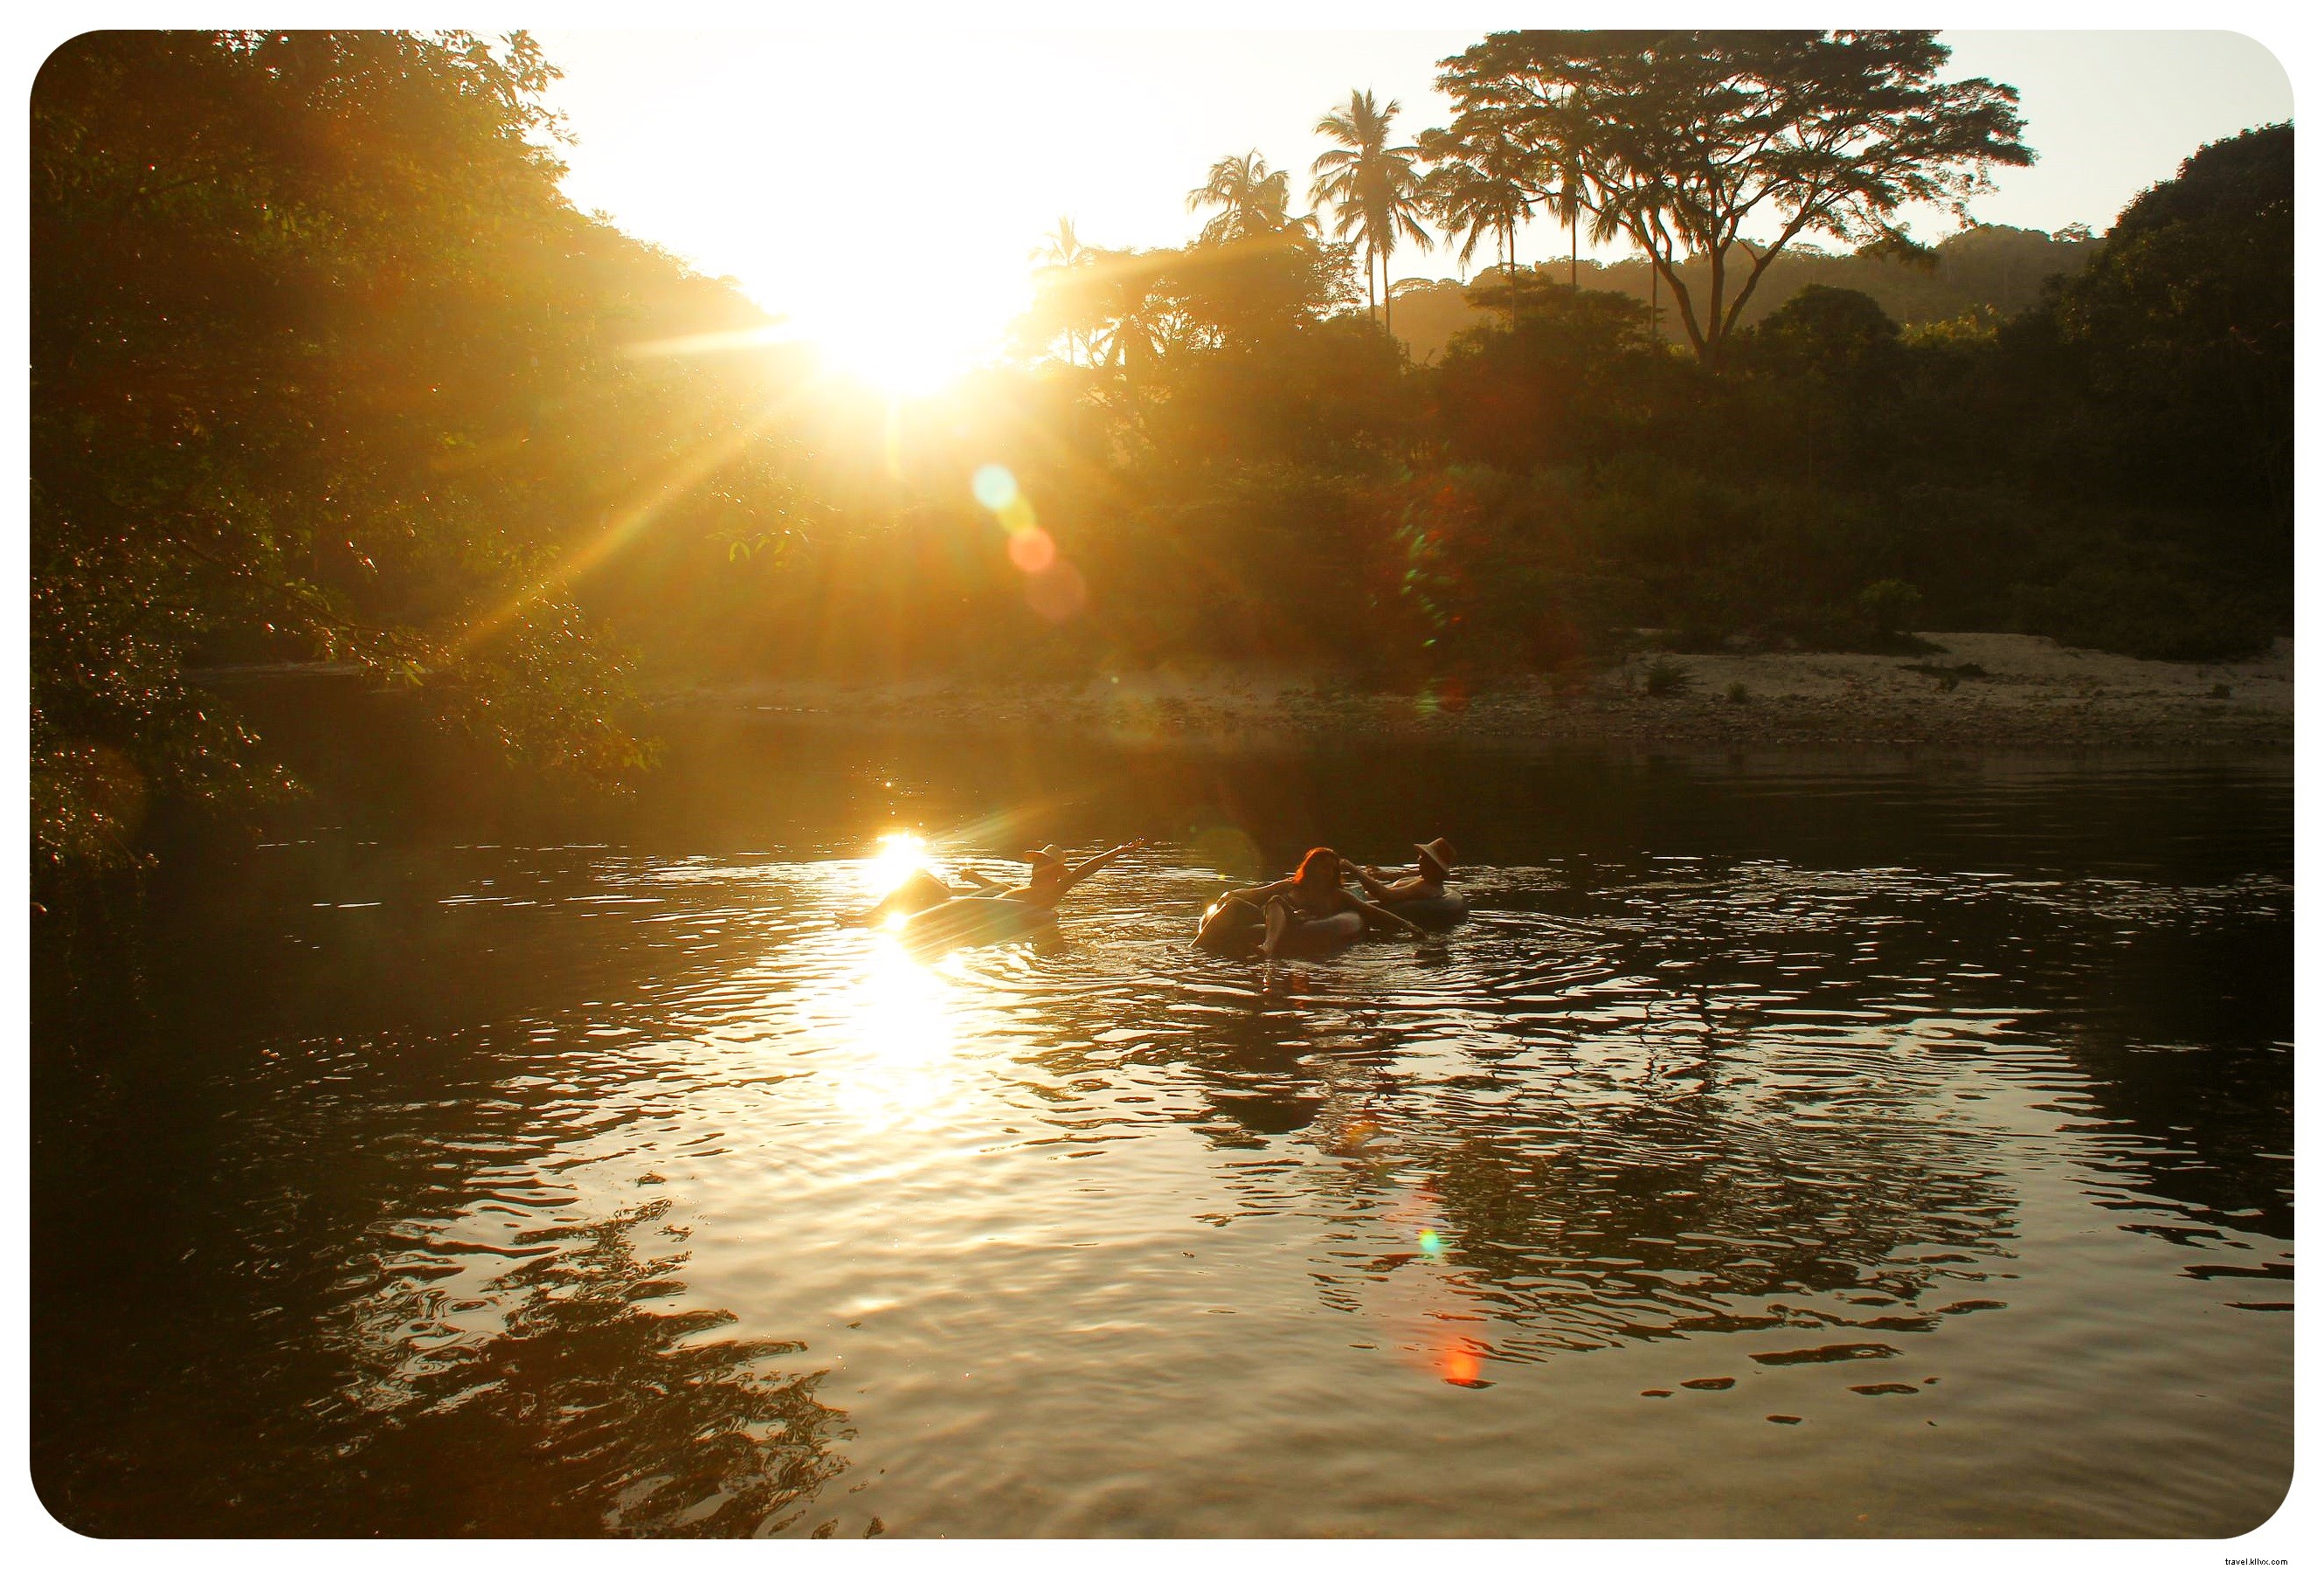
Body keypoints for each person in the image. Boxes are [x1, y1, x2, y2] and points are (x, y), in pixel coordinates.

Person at [1228, 847, 1424, 960]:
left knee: (1276, 901)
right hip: (1266, 920)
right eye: (1323, 867)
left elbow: (1371, 910)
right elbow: (1255, 894)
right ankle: (1205, 947)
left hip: (1303, 927)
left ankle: (1268, 947)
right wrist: (1231, 894)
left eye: (1332, 869)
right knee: (1238, 904)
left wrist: (1406, 924)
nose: (1328, 872)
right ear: (1310, 867)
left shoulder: (1338, 895)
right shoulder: (1289, 885)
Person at [1001, 838, 1148, 910]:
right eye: (1037, 862)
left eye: (1043, 863)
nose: (1037, 866)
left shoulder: (1051, 892)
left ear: (1054, 871)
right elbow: (994, 885)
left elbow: (1082, 871)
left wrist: (1118, 851)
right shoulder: (1019, 888)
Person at [1353, 837, 1457, 906]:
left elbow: (1386, 895)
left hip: (1363, 900)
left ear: (1433, 865)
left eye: (1423, 857)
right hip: (1363, 895)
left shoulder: (1424, 888)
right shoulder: (1427, 878)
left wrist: (1355, 871)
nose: (1418, 860)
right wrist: (1381, 874)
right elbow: (1403, 874)